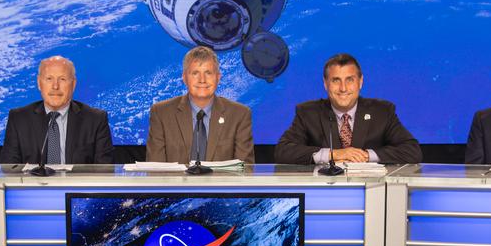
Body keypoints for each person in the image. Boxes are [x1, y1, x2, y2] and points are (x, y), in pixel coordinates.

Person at [274, 53, 422, 165]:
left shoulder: (382, 111)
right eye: (336, 80)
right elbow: (283, 152)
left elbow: (412, 151)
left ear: (360, 82)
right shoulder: (308, 113)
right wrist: (334, 154)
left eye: (349, 80)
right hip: (325, 191)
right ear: (325, 84)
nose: (343, 88)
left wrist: (367, 155)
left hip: (372, 194)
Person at [147, 46, 254, 165]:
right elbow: (155, 170)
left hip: (222, 183)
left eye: (208, 73)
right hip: (176, 184)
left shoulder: (239, 115)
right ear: (184, 78)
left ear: (218, 78)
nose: (202, 80)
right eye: (195, 73)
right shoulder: (161, 113)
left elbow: (245, 171)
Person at [0, 56, 114, 165]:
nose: (55, 86)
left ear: (73, 84)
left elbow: (104, 170)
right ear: (39, 83)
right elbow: (9, 169)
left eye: (62, 79)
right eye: (49, 79)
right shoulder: (19, 118)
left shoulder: (95, 119)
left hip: (77, 185)